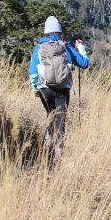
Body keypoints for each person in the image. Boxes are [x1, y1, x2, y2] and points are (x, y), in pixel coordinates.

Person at [28, 15, 90, 165]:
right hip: (63, 89)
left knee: (50, 114)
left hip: (45, 89)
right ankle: (58, 154)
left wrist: (35, 90)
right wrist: (80, 48)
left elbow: (33, 72)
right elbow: (84, 63)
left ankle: (47, 144)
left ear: (45, 32)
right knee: (60, 119)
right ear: (60, 32)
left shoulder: (39, 48)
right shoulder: (66, 47)